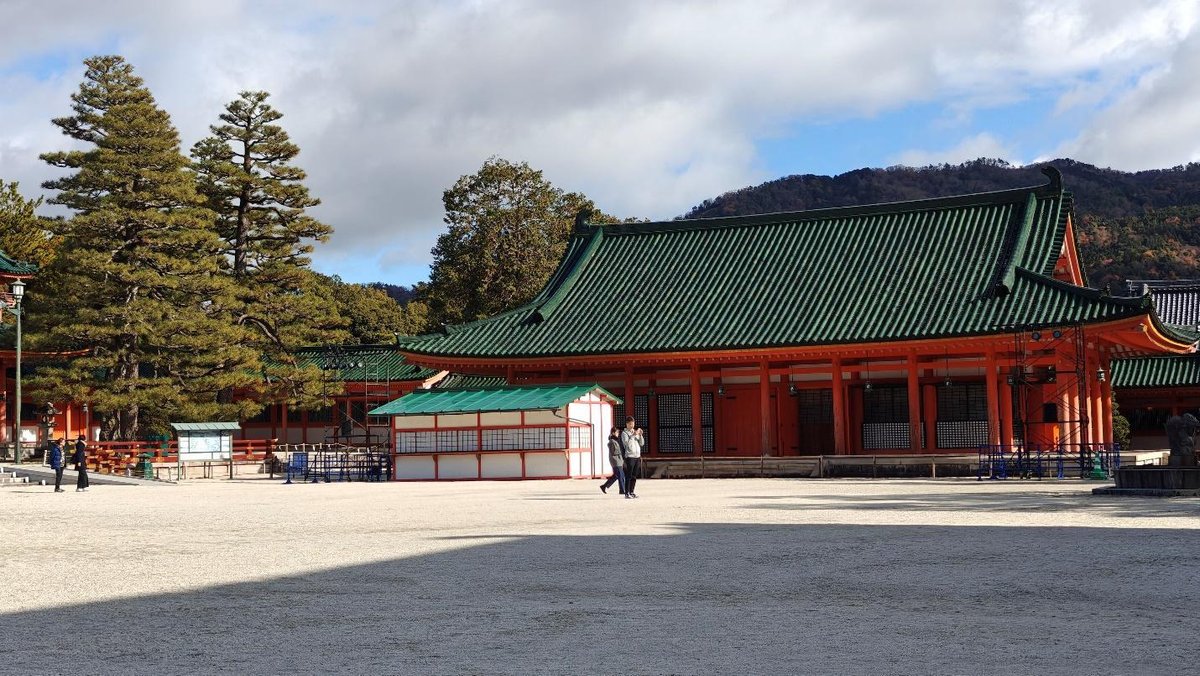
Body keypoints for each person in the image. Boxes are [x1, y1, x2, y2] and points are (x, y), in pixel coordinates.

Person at [620, 416, 645, 498]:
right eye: (630, 424)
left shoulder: (635, 432)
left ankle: (632, 491)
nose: (632, 426)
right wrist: (633, 435)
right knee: (629, 475)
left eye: (633, 424)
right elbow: (626, 444)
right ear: (627, 424)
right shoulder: (624, 433)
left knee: (634, 476)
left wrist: (640, 435)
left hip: (637, 456)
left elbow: (641, 443)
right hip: (630, 456)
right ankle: (626, 493)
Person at [599, 426, 625, 495]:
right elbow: (614, 451)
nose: (618, 434)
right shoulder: (612, 442)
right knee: (620, 476)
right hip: (616, 460)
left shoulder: (615, 440)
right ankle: (622, 490)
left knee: (617, 475)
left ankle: (604, 486)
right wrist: (621, 452)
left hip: (618, 460)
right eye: (617, 432)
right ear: (613, 433)